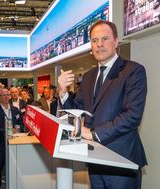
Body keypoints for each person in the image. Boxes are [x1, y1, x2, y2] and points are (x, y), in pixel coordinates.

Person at [58, 20, 147, 189]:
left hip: (122, 161)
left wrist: (94, 134)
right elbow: (77, 111)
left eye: (105, 38)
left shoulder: (133, 71)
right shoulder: (88, 76)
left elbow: (133, 115)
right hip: (94, 159)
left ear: (116, 41)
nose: (99, 44)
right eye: (94, 40)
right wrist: (63, 92)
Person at [0, 88, 23, 189]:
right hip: (1, 144)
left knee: (15, 168)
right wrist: (8, 131)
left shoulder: (15, 110)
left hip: (15, 143)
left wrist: (18, 128)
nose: (6, 97)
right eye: (4, 95)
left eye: (8, 95)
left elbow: (21, 123)